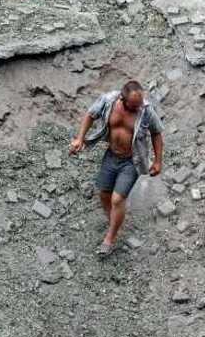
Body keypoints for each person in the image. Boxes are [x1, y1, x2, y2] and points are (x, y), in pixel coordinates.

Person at [69, 80, 164, 256]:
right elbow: (90, 115)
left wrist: (158, 161)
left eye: (140, 103)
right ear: (123, 98)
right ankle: (114, 220)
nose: (139, 107)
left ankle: (110, 238)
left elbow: (157, 133)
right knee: (104, 193)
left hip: (132, 160)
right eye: (134, 105)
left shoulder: (146, 110)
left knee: (117, 199)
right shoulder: (108, 101)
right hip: (111, 155)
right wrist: (80, 138)